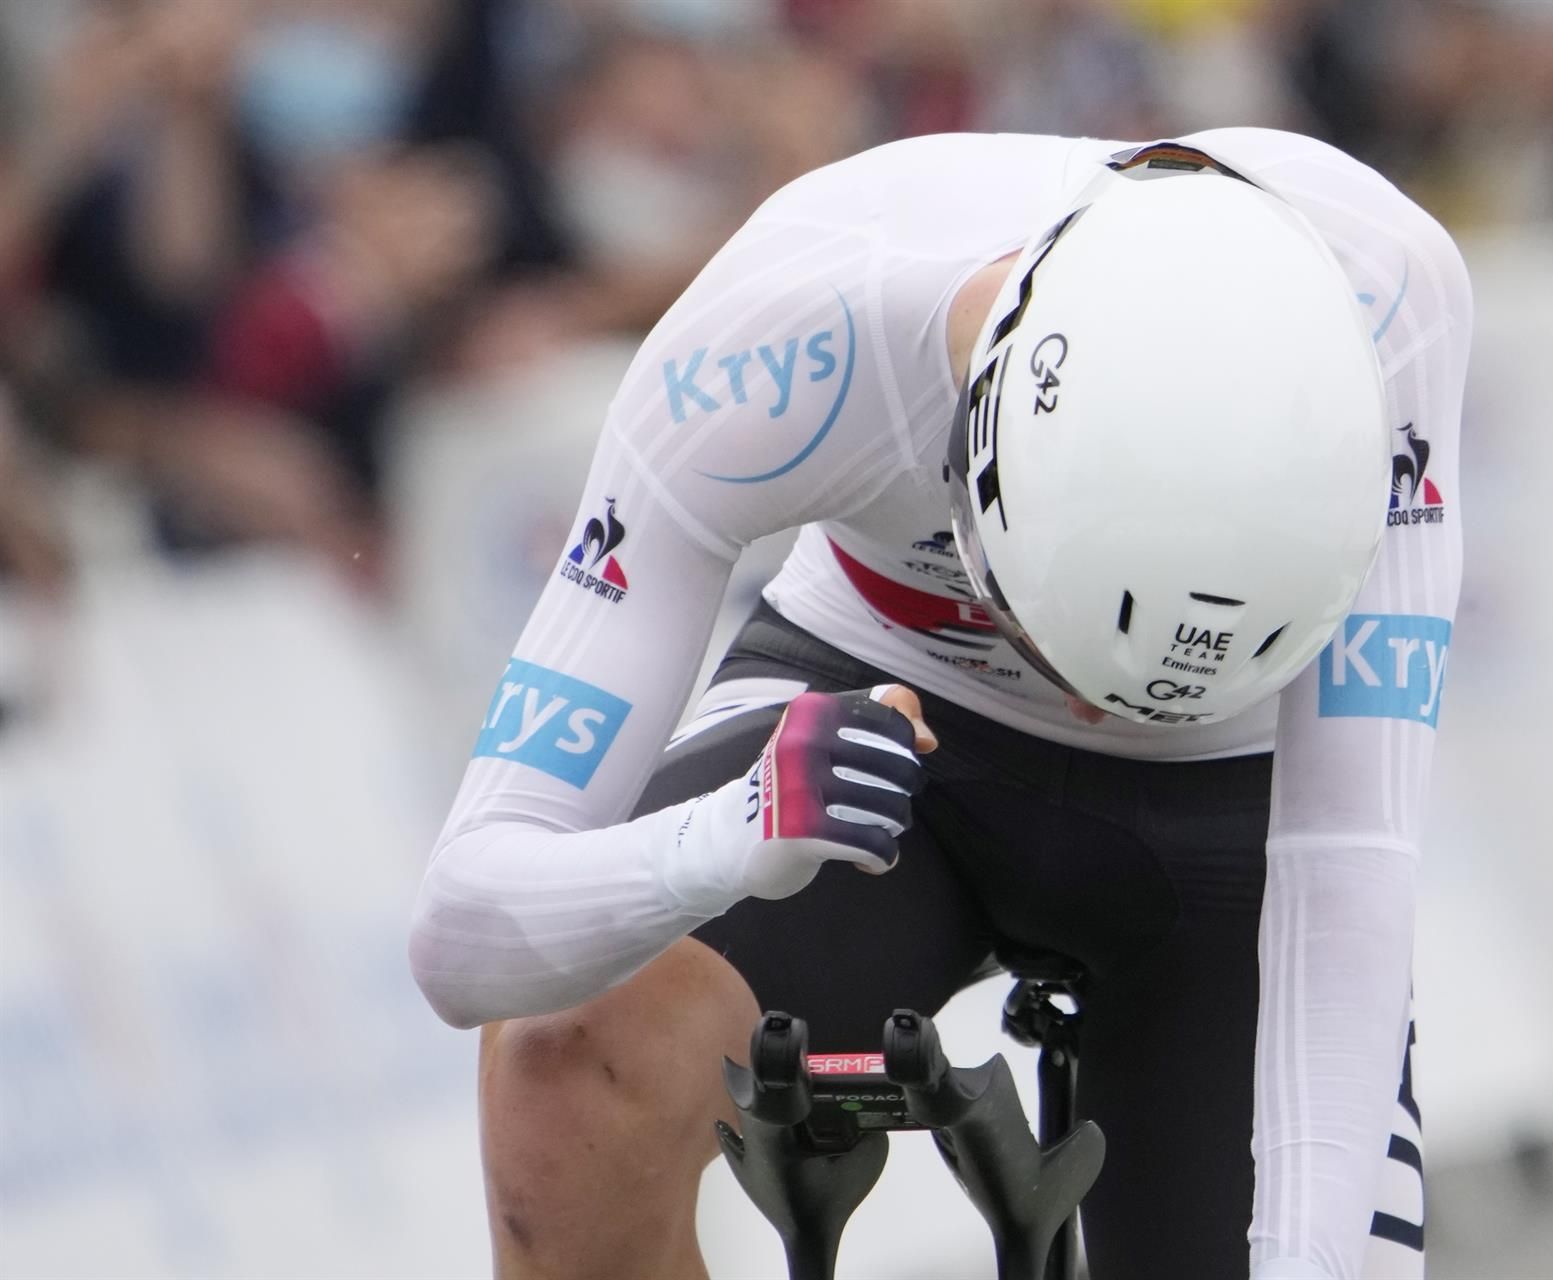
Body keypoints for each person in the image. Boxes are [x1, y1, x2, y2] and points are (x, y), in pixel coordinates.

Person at [410, 128, 1472, 1280]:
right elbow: (462, 937)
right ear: (977, 484)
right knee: (568, 1067)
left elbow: (1351, 852)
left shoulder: (1390, 301)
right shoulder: (785, 340)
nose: (1100, 710)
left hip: (1239, 798)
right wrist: (720, 840)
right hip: (898, 707)